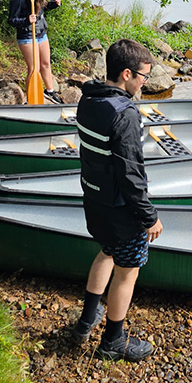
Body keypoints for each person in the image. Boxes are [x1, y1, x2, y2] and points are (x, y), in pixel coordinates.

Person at [70, 38, 163, 361]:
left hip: (94, 200)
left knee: (106, 252)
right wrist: (149, 216)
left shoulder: (88, 100)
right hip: (122, 211)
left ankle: (87, 319)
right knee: (128, 271)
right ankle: (113, 341)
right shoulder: (125, 114)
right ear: (126, 74)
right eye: (144, 76)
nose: (145, 83)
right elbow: (131, 174)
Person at [8, 0, 62, 103]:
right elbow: (12, 20)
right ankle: (29, 99)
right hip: (27, 36)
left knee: (46, 64)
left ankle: (49, 91)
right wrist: (26, 20)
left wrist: (53, 4)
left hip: (41, 34)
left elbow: (42, 8)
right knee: (34, 69)